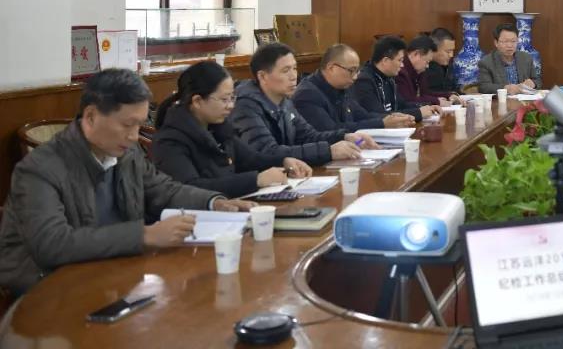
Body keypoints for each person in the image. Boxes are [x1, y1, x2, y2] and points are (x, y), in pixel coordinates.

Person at [0, 69, 252, 296]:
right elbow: (53, 244)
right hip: (49, 289)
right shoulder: (39, 169)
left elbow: (163, 189)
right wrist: (145, 235)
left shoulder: (126, 154)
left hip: (111, 271)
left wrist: (214, 202)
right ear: (90, 117)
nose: (134, 136)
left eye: (140, 125)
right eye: (127, 125)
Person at [153, 61, 314, 198]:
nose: (231, 106)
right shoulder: (170, 141)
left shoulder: (218, 129)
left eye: (232, 98)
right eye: (224, 99)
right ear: (197, 101)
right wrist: (256, 180)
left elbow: (251, 159)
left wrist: (284, 162)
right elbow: (191, 188)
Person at [231, 43, 376, 166]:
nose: (293, 76)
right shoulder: (245, 106)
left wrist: (344, 137)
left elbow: (308, 136)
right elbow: (268, 152)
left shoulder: (285, 102)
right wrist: (328, 151)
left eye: (294, 68)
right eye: (285, 70)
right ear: (262, 76)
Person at [293, 44, 415, 130]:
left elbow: (362, 115)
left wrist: (391, 118)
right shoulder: (307, 95)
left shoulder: (342, 87)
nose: (356, 77)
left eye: (357, 71)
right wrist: (382, 123)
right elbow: (332, 130)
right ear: (331, 68)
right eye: (351, 71)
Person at [353, 36, 435, 121]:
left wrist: (426, 107)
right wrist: (418, 113)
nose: (402, 65)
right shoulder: (364, 81)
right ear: (385, 61)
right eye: (400, 60)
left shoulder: (389, 78)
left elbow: (401, 104)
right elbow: (379, 115)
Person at [477, 23, 542, 95]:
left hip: (523, 99)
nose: (510, 45)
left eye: (513, 41)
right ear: (496, 43)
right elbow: (484, 87)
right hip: (501, 100)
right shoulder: (486, 62)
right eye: (505, 41)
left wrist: (533, 83)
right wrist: (506, 88)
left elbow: (538, 81)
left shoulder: (526, 58)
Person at [395, 35, 449, 107]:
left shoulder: (418, 70)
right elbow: (409, 100)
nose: (427, 66)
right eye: (427, 61)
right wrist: (436, 101)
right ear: (416, 54)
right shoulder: (400, 71)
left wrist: (448, 95)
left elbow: (425, 93)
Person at [424, 27, 460, 103]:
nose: (451, 55)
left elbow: (453, 89)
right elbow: (423, 94)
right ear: (434, 49)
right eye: (448, 51)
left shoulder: (448, 64)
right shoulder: (422, 66)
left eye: (453, 51)